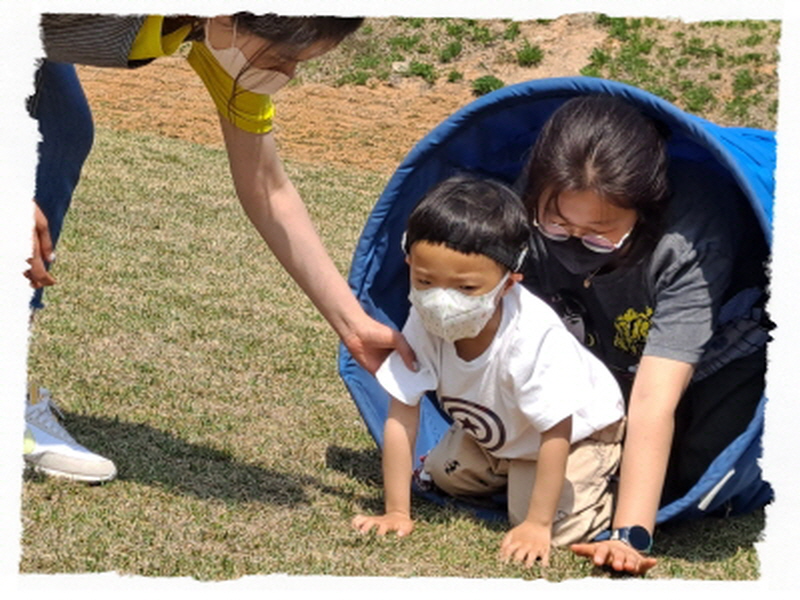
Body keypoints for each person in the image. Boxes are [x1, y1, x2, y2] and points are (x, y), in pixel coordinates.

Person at [23, 13, 414, 482]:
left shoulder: (221, 39)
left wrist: (354, 328)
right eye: (284, 57)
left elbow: (267, 188)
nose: (287, 75)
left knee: (61, 131)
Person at [518, 95, 772, 574]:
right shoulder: (535, 203)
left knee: (697, 476)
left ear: (647, 209)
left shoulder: (689, 240)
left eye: (600, 233)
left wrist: (628, 534)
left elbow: (655, 398)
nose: (575, 242)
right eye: (558, 225)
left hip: (728, 344)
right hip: (609, 342)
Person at [351, 176, 626, 567]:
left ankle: (608, 478)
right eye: (425, 281)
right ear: (409, 262)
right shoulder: (424, 317)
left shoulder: (532, 335)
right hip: (505, 432)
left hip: (579, 434)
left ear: (509, 283)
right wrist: (397, 510)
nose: (441, 300)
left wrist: (537, 522)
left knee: (557, 527)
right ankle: (511, 470)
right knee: (443, 478)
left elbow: (557, 429)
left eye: (466, 288)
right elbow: (402, 411)